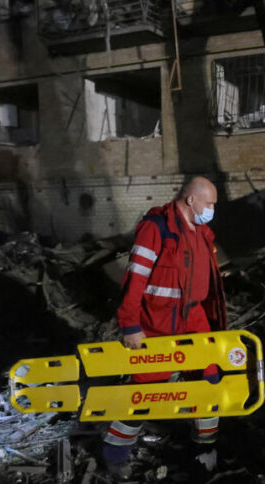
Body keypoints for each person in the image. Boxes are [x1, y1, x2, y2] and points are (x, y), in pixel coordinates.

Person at [101, 176, 227, 478]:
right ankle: (115, 455)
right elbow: (135, 279)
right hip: (158, 322)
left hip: (194, 319)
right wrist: (130, 325)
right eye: (209, 203)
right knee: (145, 390)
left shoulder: (201, 232)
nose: (212, 209)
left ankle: (204, 449)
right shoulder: (156, 228)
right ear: (191, 200)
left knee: (209, 380)